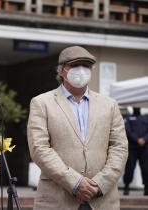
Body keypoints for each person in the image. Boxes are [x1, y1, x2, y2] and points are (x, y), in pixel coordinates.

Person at [27, 46, 128, 210]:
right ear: (61, 70)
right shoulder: (42, 103)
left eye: (86, 66)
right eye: (75, 65)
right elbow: (39, 148)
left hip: (102, 199)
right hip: (58, 199)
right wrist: (75, 182)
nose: (81, 70)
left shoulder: (109, 105)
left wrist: (99, 183)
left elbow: (119, 147)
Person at [123, 107, 148, 196]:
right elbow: (127, 130)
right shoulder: (128, 117)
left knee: (146, 168)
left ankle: (146, 188)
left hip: (144, 148)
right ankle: (126, 186)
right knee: (129, 168)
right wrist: (137, 139)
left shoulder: (146, 117)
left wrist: (144, 139)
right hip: (132, 148)